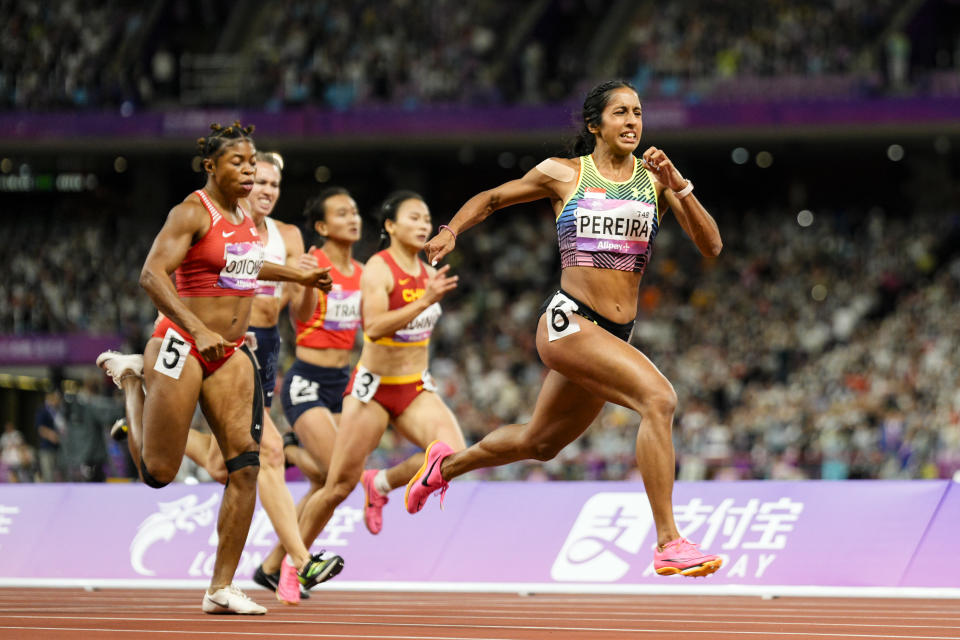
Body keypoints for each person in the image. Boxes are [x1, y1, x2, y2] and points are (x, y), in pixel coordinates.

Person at [405, 80, 725, 578]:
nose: (633, 122)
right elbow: (491, 199)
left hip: (613, 336)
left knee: (540, 443)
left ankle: (443, 467)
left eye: (638, 113)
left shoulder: (656, 180)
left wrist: (679, 183)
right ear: (595, 125)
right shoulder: (565, 174)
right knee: (658, 400)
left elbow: (711, 247)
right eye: (620, 113)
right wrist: (451, 230)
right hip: (568, 323)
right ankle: (668, 542)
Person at [96, 122, 334, 614]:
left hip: (229, 352)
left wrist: (297, 273)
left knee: (246, 467)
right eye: (238, 163)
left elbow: (249, 264)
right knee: (158, 472)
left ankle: (220, 587)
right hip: (181, 345)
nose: (249, 171)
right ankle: (135, 383)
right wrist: (195, 329)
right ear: (211, 166)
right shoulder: (190, 212)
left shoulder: (246, 215)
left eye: (253, 163)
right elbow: (151, 274)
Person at [178, 152, 342, 605]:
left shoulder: (288, 235)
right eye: (261, 181)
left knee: (219, 464)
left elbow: (300, 314)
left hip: (268, 347)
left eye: (275, 184)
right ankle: (299, 558)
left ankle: (141, 420)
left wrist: (311, 284)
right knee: (266, 451)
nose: (267, 190)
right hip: (230, 345)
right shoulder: (225, 226)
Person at [284, 191, 464, 555]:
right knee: (334, 481)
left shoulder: (365, 272)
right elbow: (303, 318)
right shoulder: (319, 264)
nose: (353, 218)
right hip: (312, 378)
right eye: (342, 213)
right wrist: (304, 285)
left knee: (334, 480)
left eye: (354, 211)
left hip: (357, 377)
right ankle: (289, 557)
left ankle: (375, 485)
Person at [35, 391, 64, 482]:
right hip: (47, 448)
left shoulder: (59, 411)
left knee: (60, 474)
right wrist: (51, 435)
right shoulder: (43, 410)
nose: (57, 400)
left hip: (59, 448)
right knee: (48, 475)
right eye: (55, 398)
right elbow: (40, 428)